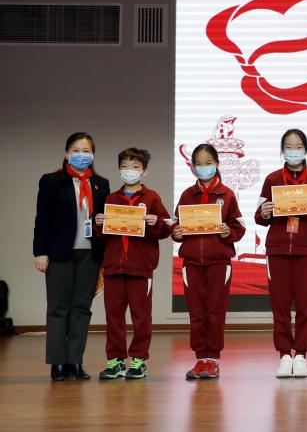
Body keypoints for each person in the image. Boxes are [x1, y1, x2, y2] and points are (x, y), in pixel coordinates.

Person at [255, 129, 307, 378]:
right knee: (280, 306)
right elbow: (259, 217)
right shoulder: (272, 179)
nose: (294, 151)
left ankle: (301, 354)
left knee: (305, 305)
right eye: (289, 147)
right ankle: (284, 354)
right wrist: (265, 212)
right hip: (277, 250)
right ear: (282, 150)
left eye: (298, 147)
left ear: (306, 150)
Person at [33, 132, 110, 381]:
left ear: (93, 155)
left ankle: (75, 361)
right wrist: (40, 252)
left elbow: (105, 221)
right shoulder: (51, 181)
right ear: (67, 153)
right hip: (59, 253)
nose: (81, 155)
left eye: (86, 151)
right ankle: (57, 362)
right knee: (58, 308)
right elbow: (42, 219)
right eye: (76, 150)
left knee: (81, 308)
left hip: (90, 254)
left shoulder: (101, 183)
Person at [95, 148, 172, 380]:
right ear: (119, 170)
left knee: (141, 316)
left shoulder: (152, 198)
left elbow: (166, 228)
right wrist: (98, 223)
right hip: (113, 268)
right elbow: (101, 235)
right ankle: (116, 360)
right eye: (125, 167)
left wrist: (156, 221)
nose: (130, 171)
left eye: (135, 167)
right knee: (113, 316)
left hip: (140, 268)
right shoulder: (111, 199)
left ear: (144, 171)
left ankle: (139, 360)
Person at [170, 144, 246, 380]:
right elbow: (175, 225)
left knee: (214, 311)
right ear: (193, 167)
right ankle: (200, 358)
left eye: (208, 163)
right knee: (196, 312)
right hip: (191, 262)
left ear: (217, 164)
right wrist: (176, 232)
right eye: (199, 164)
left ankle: (212, 360)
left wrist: (227, 232)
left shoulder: (227, 195)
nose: (203, 168)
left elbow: (239, 227)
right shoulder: (187, 195)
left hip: (218, 262)